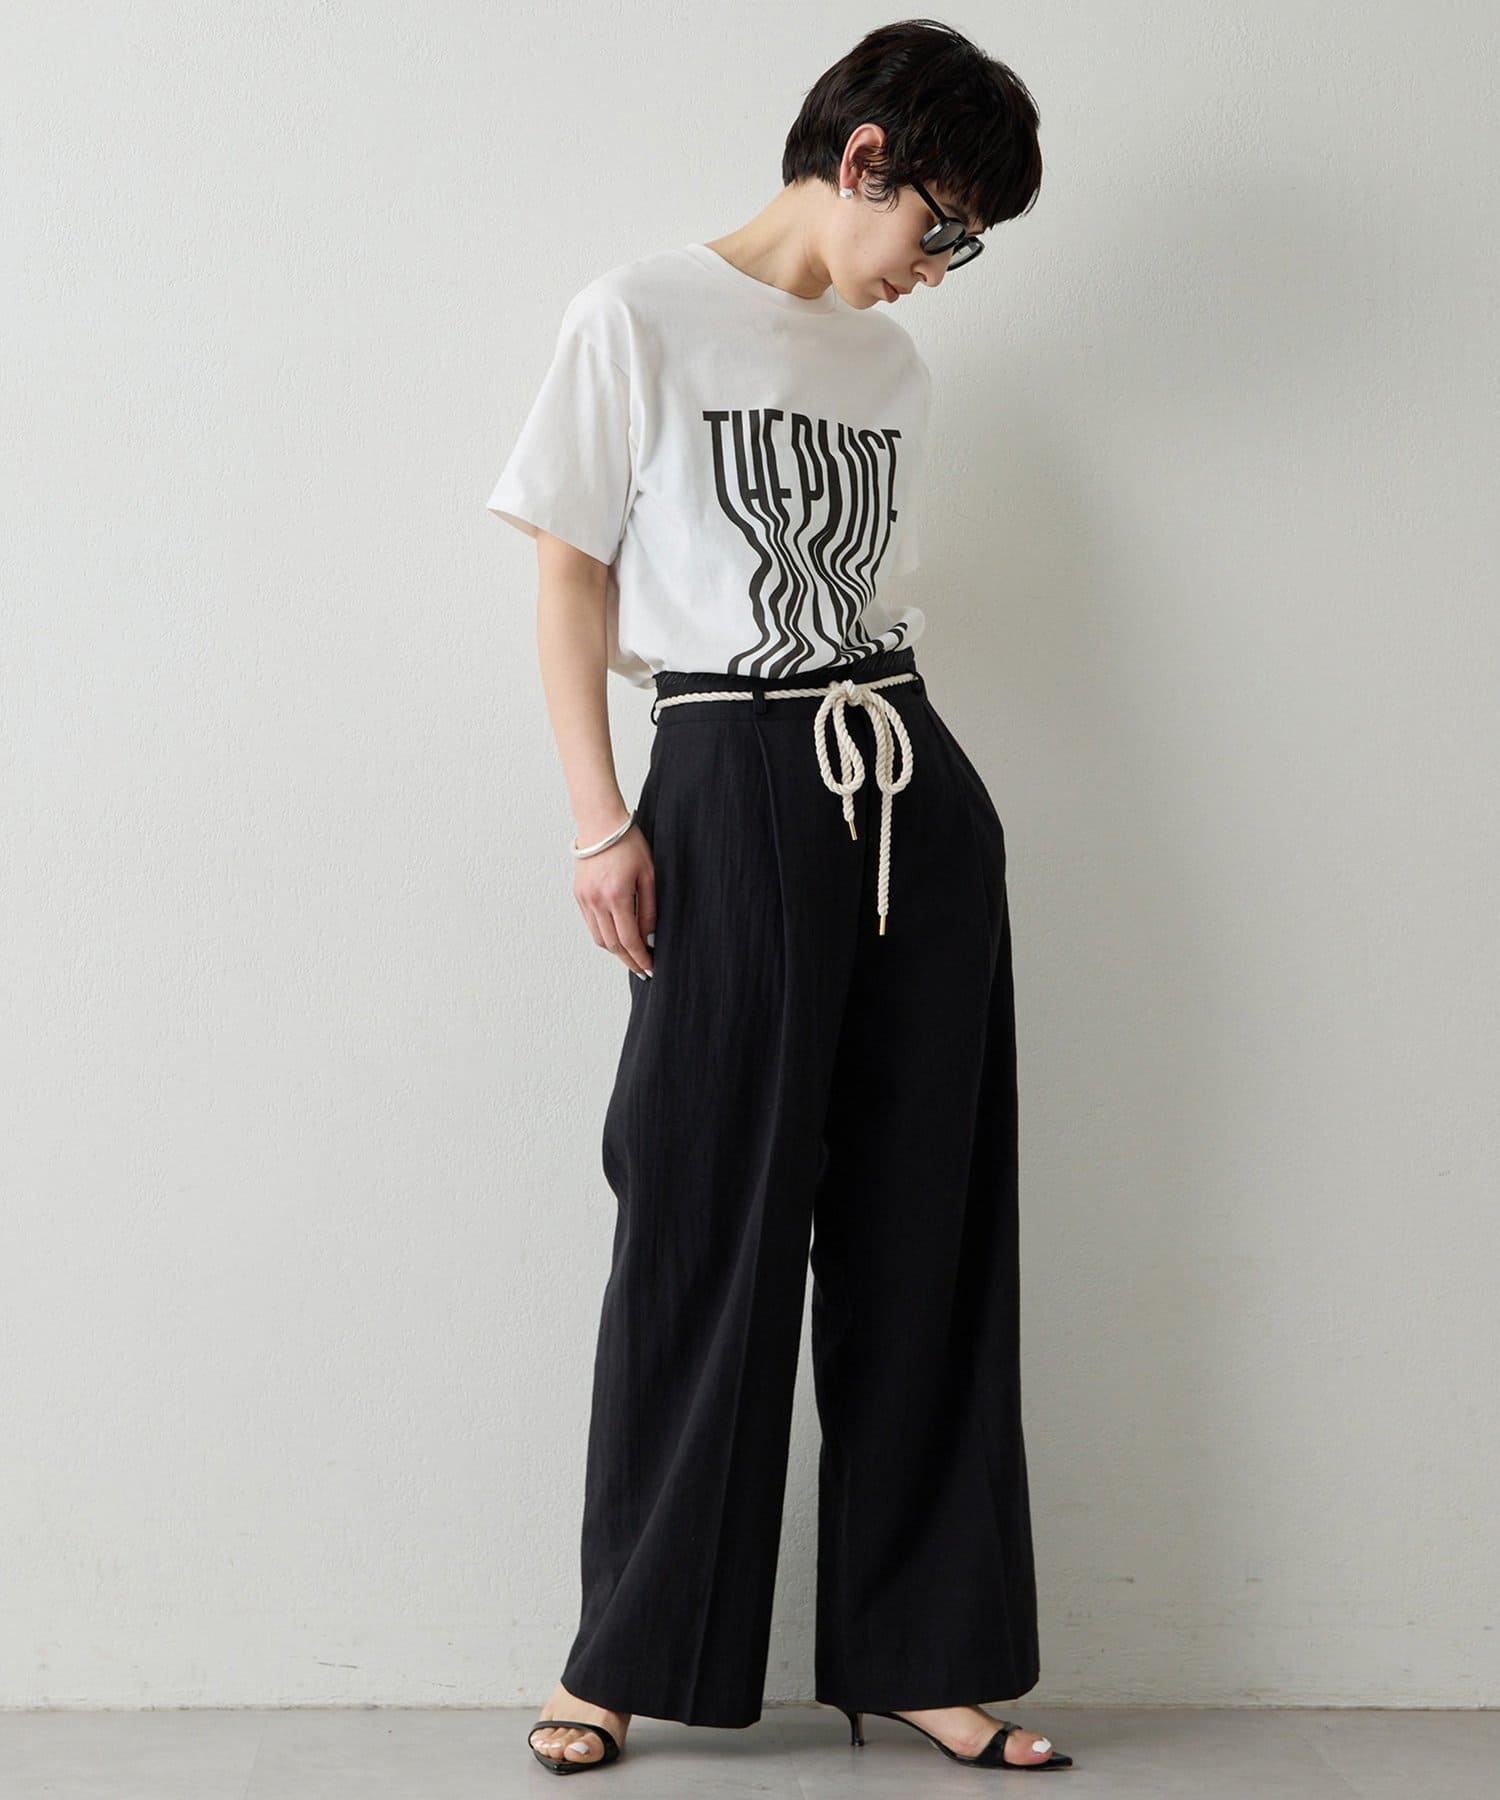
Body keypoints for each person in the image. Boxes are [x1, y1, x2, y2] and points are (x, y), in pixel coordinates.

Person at [484, 18, 1071, 1778]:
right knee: (701, 1214)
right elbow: (571, 575)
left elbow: (861, 598)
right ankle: (621, 1655)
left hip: (907, 782)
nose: (938, 274)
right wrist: (599, 821)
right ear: (865, 157)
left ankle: (926, 1651)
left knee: (924, 1224)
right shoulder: (639, 314)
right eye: (943, 229)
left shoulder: (891, 371)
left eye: (967, 251)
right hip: (728, 773)